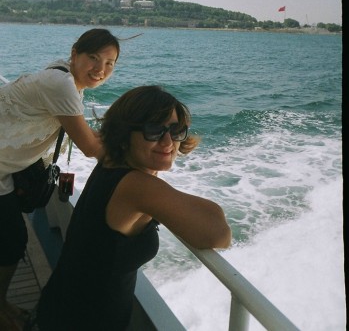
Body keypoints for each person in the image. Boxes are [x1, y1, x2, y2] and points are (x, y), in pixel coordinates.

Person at [33, 85, 232, 330]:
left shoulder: (110, 163)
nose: (168, 141)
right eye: (154, 130)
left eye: (175, 130)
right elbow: (219, 233)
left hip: (61, 307)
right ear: (125, 134)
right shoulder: (137, 187)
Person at [0, 28, 120, 331]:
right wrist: (130, 147)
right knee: (13, 240)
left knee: (10, 239)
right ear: (74, 54)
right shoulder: (61, 85)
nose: (100, 69)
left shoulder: (66, 79)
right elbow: (91, 148)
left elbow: (82, 131)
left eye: (109, 63)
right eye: (93, 58)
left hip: (4, 169)